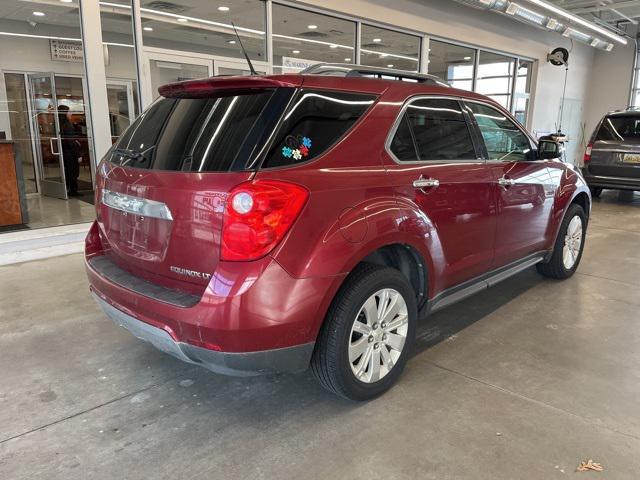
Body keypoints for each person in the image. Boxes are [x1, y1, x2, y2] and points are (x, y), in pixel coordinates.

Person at [57, 104, 80, 195]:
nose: (71, 113)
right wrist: (78, 154)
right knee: (73, 171)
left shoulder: (59, 124)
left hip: (64, 152)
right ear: (65, 113)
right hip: (70, 153)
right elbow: (71, 142)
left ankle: (67, 189)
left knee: (67, 171)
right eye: (69, 112)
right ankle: (73, 190)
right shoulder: (68, 125)